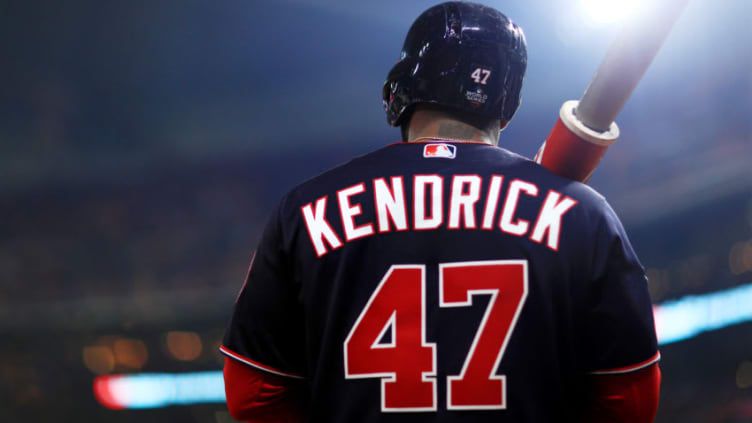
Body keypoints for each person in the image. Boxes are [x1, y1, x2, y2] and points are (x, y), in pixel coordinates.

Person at [220, 2, 661, 422]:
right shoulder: (580, 212)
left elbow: (251, 394)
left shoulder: (305, 209)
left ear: (403, 87)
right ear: (507, 103)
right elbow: (632, 400)